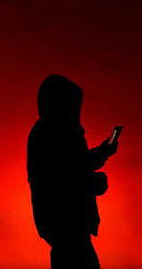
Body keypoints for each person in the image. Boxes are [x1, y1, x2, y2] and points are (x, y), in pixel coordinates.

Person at [27, 75, 119, 269]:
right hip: (66, 224)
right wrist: (92, 182)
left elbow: (74, 166)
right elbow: (63, 178)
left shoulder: (50, 131)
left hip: (62, 225)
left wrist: (102, 153)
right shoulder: (53, 133)